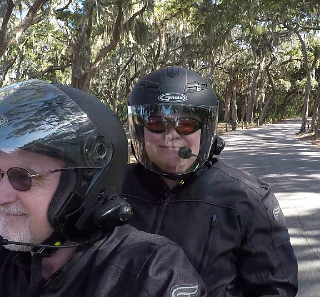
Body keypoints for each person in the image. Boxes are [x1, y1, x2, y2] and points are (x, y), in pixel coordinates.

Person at [0, 79, 208, 297]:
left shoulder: (152, 272)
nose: (2, 196)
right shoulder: (8, 258)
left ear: (85, 185)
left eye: (24, 177)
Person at [122, 66, 298, 297]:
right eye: (156, 123)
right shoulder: (114, 187)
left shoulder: (247, 199)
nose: (171, 134)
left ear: (205, 131)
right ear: (140, 131)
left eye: (185, 124)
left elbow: (276, 288)